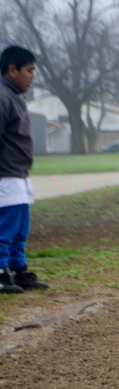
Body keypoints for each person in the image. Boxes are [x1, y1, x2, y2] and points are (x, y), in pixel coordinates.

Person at [0, 45, 48, 293]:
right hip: (5, 176)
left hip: (19, 175)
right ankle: (0, 271)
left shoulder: (14, 97)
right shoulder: (2, 96)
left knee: (20, 227)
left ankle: (19, 270)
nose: (33, 76)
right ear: (12, 70)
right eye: (29, 70)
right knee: (5, 227)